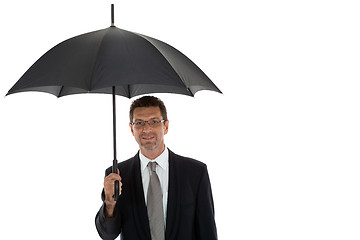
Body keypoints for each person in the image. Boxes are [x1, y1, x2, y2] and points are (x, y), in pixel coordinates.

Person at [95, 96, 217, 240]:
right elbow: (108, 234)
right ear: (131, 129)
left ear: (166, 126)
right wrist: (109, 202)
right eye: (139, 123)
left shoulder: (195, 172)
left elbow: (207, 231)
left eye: (154, 121)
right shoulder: (117, 175)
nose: (147, 129)